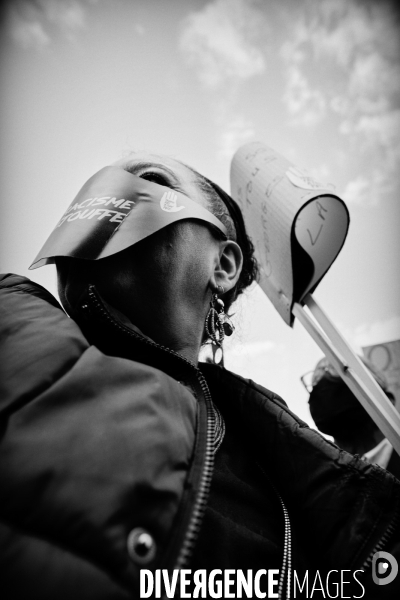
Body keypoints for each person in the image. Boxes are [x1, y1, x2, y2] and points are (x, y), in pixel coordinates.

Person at [1, 152, 399, 600]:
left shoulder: (296, 483)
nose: (116, 198)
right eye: (101, 194)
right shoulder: (8, 323)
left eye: (151, 182)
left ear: (224, 266)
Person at [307, 356, 400, 478]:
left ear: (386, 400)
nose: (325, 379)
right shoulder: (323, 479)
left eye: (341, 373)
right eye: (318, 381)